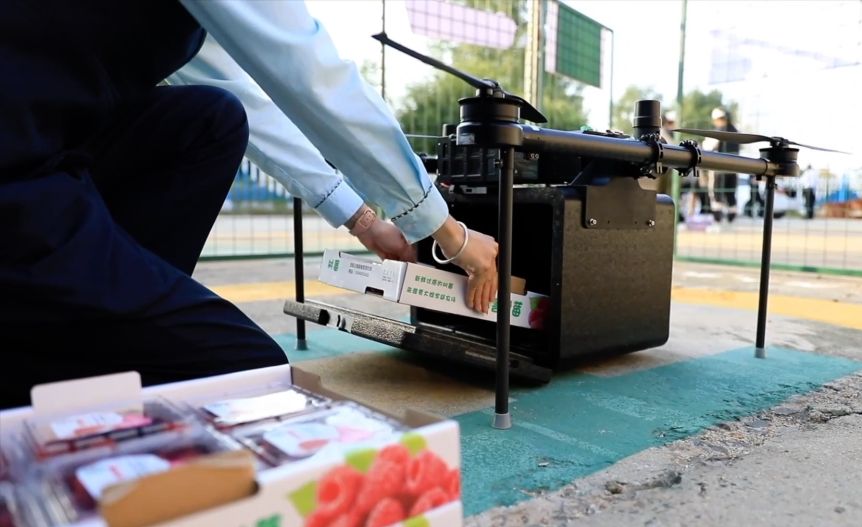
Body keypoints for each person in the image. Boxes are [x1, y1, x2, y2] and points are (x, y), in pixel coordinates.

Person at [0, 1, 499, 408]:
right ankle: (65, 344)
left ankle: (101, 329)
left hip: (44, 144)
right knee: (252, 375)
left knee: (213, 117)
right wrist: (450, 234)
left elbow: (241, 91)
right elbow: (310, 74)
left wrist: (364, 221)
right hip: (18, 179)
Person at [708, 107, 740, 223]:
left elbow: (710, 148)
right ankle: (731, 216)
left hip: (720, 167)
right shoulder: (735, 131)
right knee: (730, 193)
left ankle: (717, 218)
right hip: (734, 167)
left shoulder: (719, 132)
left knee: (717, 192)